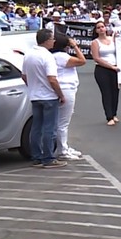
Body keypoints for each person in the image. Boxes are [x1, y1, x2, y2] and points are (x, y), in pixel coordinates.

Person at [22, 29, 66, 168]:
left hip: (35, 96)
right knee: (49, 128)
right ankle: (48, 158)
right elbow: (52, 79)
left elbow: (24, 76)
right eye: (52, 38)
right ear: (46, 40)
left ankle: (36, 156)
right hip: (48, 96)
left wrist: (32, 86)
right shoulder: (47, 56)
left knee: (36, 127)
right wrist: (60, 94)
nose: (54, 41)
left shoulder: (28, 55)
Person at [51, 34, 87, 161]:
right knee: (63, 122)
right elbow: (82, 61)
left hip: (64, 88)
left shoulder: (54, 56)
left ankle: (63, 146)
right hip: (66, 89)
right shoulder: (61, 56)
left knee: (60, 121)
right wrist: (75, 46)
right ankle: (62, 150)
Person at [90, 21, 121, 126]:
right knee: (106, 93)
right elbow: (96, 58)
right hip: (102, 69)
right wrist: (110, 66)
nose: (101, 29)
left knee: (115, 91)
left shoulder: (112, 39)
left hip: (115, 68)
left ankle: (114, 113)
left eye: (102, 27)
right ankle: (109, 116)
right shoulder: (95, 42)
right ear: (96, 30)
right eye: (98, 27)